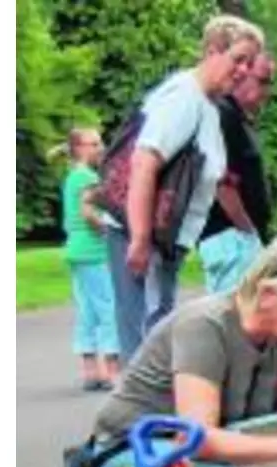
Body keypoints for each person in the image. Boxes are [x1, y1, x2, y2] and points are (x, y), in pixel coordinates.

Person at [85, 232, 277, 467]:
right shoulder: (205, 326)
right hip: (139, 448)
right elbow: (196, 440)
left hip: (216, 439)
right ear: (267, 295)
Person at [106, 14, 264, 363]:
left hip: (167, 243)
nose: (243, 70)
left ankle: (154, 415)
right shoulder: (185, 99)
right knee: (146, 345)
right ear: (211, 50)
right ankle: (140, 417)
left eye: (249, 64)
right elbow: (144, 163)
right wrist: (141, 238)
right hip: (144, 239)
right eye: (238, 59)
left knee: (155, 335)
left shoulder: (207, 104)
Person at [197, 50, 277, 294]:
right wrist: (248, 231)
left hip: (237, 238)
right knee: (236, 319)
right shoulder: (224, 114)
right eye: (262, 80)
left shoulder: (238, 119)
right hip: (230, 238)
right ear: (240, 73)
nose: (267, 91)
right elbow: (221, 181)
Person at [58, 127, 120, 391]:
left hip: (76, 249)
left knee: (88, 310)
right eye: (93, 144)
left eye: (100, 142)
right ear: (79, 148)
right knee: (108, 309)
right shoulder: (87, 177)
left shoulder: (73, 176)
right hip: (93, 251)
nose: (101, 148)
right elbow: (88, 212)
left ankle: (91, 371)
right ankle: (110, 372)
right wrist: (109, 228)